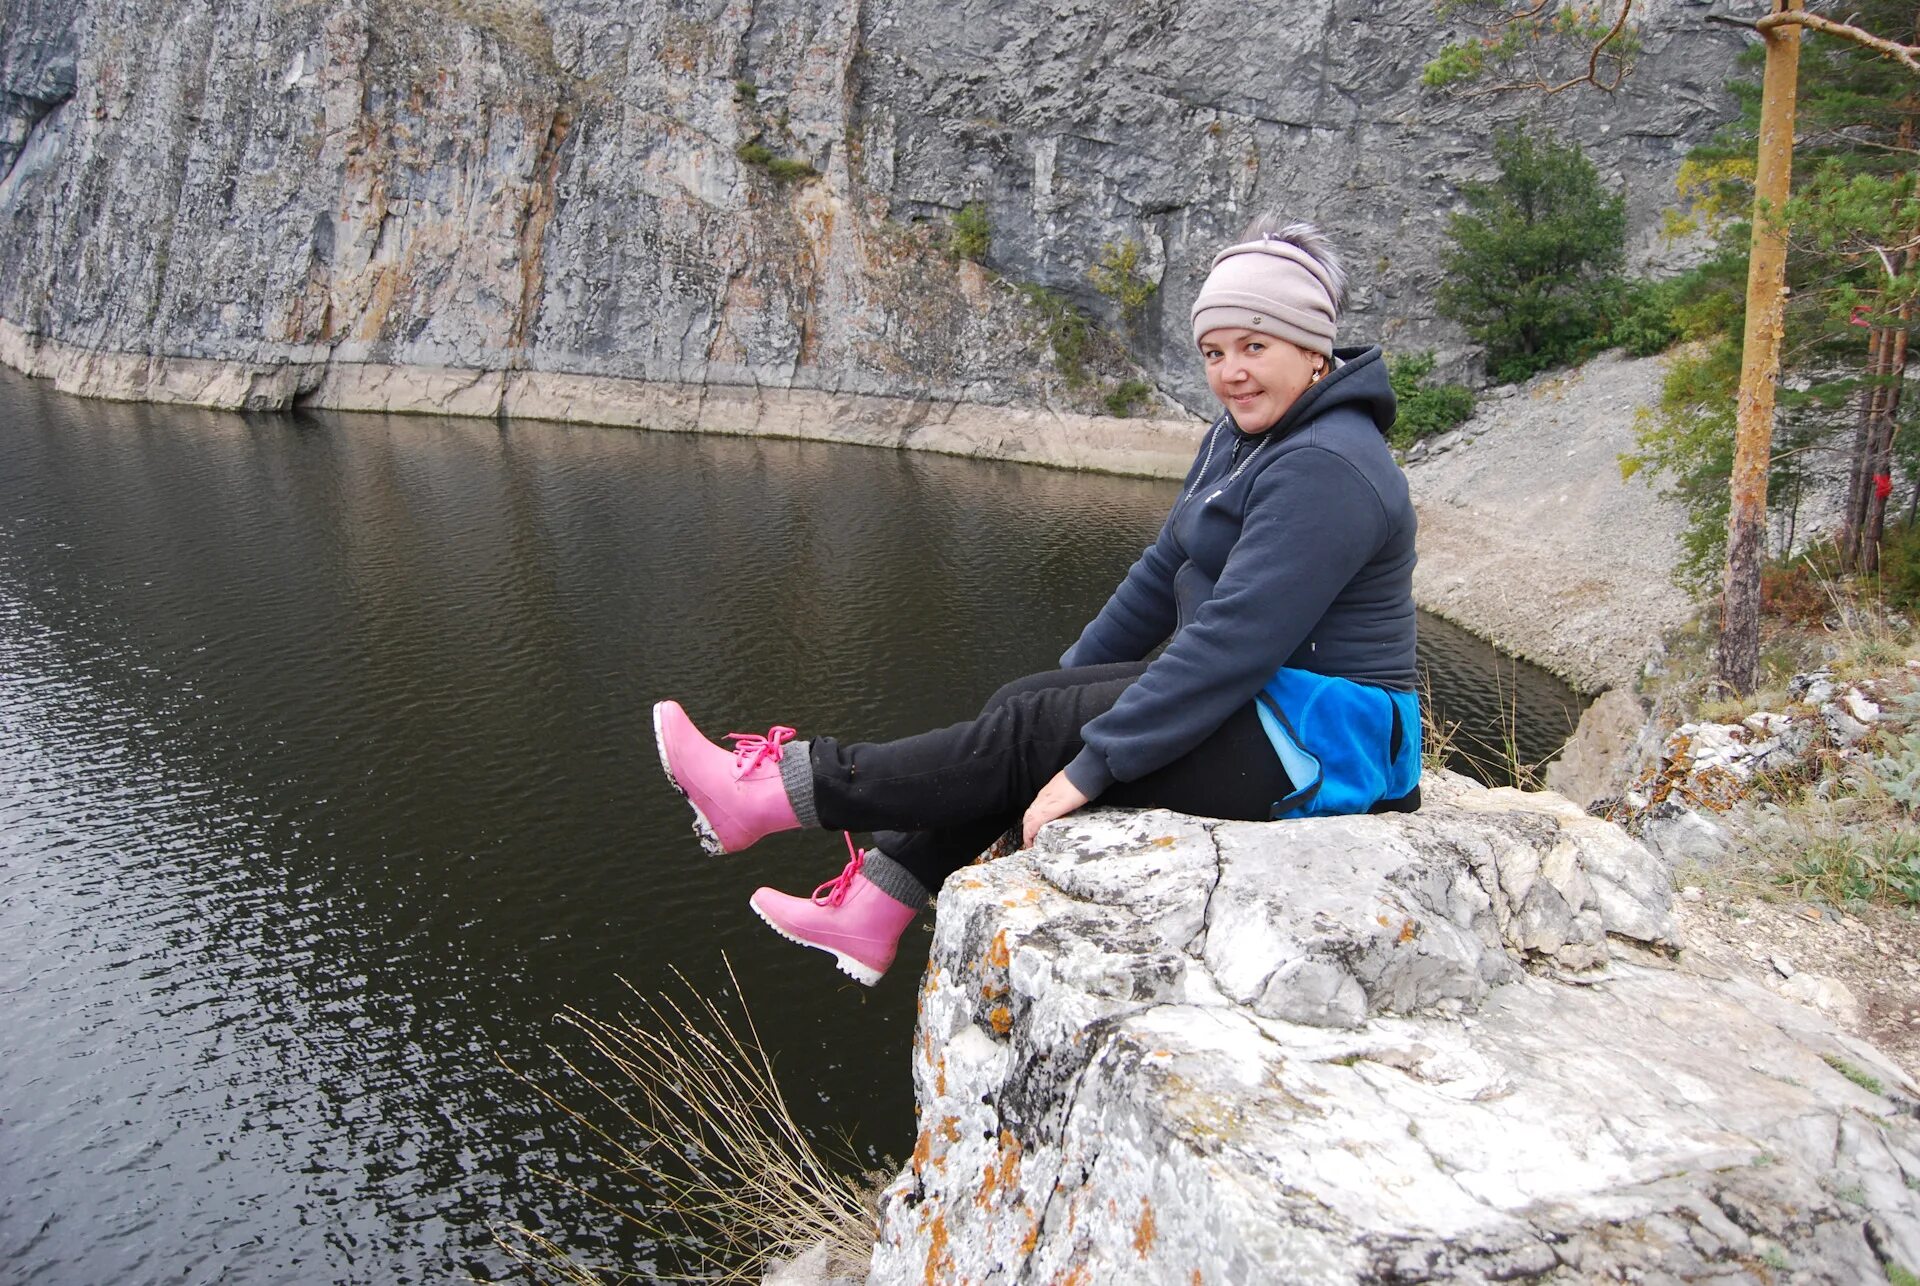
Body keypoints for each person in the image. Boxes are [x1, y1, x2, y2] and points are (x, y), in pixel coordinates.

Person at [653, 218, 1420, 986]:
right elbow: (1165, 569)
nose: (1231, 373)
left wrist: (1087, 764)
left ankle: (771, 793)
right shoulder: (1246, 435)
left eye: (1255, 347)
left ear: (1314, 349)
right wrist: (1071, 687)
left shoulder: (1328, 465)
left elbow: (1234, 642)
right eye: (1214, 353)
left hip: (1327, 742)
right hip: (1272, 707)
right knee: (1029, 708)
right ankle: (874, 908)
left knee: (1036, 731)